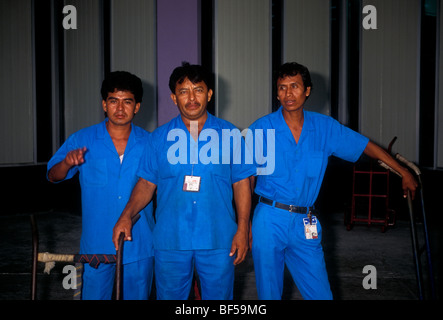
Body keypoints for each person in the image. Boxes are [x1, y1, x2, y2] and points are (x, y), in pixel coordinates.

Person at [247, 62, 418, 300]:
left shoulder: (325, 127)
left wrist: (402, 172)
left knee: (321, 295)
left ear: (307, 90)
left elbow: (365, 146)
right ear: (277, 93)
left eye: (294, 86)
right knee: (269, 294)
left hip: (305, 221)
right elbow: (247, 180)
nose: (288, 93)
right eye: (282, 88)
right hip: (269, 218)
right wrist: (246, 224)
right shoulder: (261, 129)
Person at [112, 62, 255, 300]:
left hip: (218, 238)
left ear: (209, 94)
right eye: (183, 91)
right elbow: (146, 184)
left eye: (198, 90)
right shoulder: (158, 138)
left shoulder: (231, 136)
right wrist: (126, 214)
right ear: (173, 97)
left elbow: (242, 184)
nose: (191, 98)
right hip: (171, 240)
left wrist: (243, 228)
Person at [47, 71, 154, 300]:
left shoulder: (150, 143)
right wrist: (66, 162)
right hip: (97, 243)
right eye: (113, 101)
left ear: (137, 107)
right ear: (104, 104)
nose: (120, 108)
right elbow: (53, 175)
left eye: (127, 102)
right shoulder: (82, 139)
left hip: (139, 241)